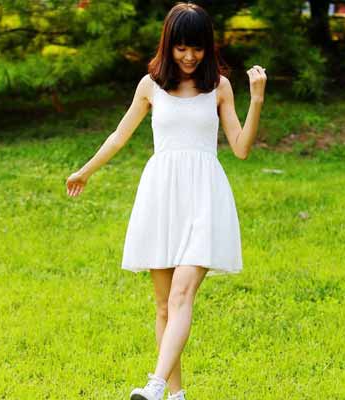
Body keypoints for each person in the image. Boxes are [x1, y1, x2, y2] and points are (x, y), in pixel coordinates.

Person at [66, 2, 266, 399]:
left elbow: (241, 148)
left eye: (197, 48)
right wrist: (85, 171)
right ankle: (175, 395)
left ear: (208, 47)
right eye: (181, 47)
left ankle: (154, 386)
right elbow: (119, 136)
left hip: (205, 197)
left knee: (181, 294)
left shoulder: (219, 88)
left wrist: (256, 99)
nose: (189, 56)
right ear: (168, 45)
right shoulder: (150, 86)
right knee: (163, 306)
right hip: (161, 196)